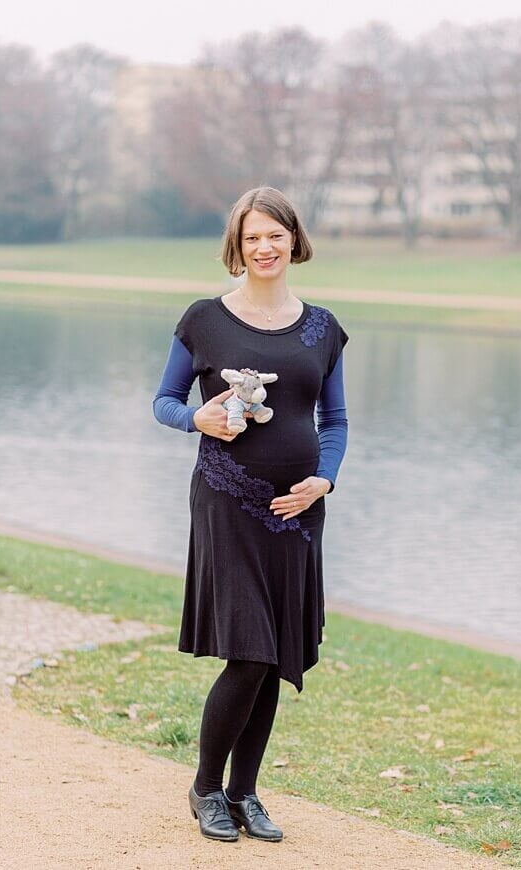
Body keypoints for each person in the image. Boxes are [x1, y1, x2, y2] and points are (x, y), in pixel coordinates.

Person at [153, 187, 349, 842]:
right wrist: (194, 417)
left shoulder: (322, 327)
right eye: (252, 236)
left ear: (294, 240)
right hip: (224, 501)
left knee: (275, 651)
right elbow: (164, 400)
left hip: (295, 512)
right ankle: (206, 786)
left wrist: (324, 479)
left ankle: (244, 793)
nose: (264, 247)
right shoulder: (205, 319)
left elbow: (338, 421)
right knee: (252, 650)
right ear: (237, 246)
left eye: (275, 234)